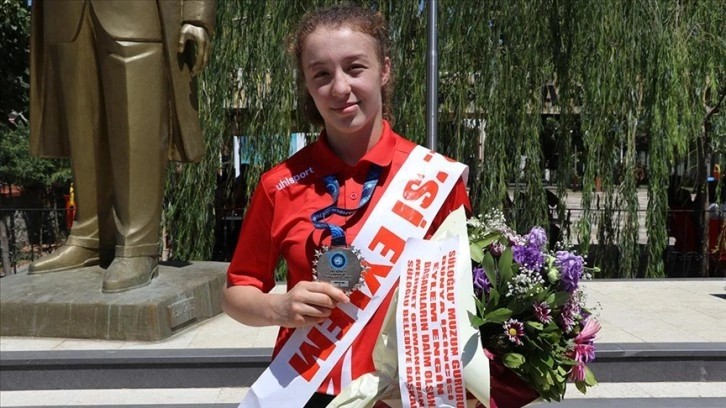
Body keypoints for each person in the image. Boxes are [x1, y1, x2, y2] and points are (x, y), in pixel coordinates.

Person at [222, 4, 471, 407]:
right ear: (307, 83)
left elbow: (468, 294)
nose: (339, 88)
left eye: (355, 68)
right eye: (321, 74)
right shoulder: (278, 185)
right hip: (308, 388)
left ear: (384, 70)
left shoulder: (437, 180)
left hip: (406, 394)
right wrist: (277, 307)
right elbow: (238, 291)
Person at [27, 0, 216, 292]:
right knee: (80, 126)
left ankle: (137, 245)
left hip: (137, 12)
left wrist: (197, 14)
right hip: (64, 11)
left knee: (137, 122)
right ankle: (90, 235)